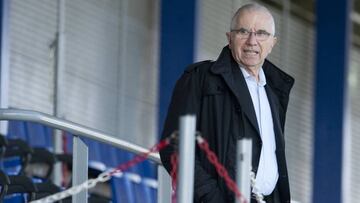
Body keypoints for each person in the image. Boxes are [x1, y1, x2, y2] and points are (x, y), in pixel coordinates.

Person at [160, 3, 294, 203]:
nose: (252, 41)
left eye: (261, 33)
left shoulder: (274, 94)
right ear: (229, 38)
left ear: (273, 42)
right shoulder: (201, 78)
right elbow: (173, 147)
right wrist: (212, 197)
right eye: (243, 31)